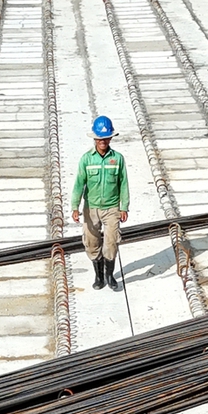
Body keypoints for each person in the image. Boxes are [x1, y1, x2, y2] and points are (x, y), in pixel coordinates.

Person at [72, 116, 129, 293]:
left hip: (112, 208)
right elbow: (79, 184)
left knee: (111, 242)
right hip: (91, 208)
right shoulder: (86, 160)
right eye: (99, 138)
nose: (102, 141)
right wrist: (75, 206)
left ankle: (110, 275)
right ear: (95, 139)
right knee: (91, 242)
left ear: (111, 138)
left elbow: (123, 183)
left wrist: (124, 207)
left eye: (106, 138)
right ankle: (98, 275)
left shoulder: (117, 159)